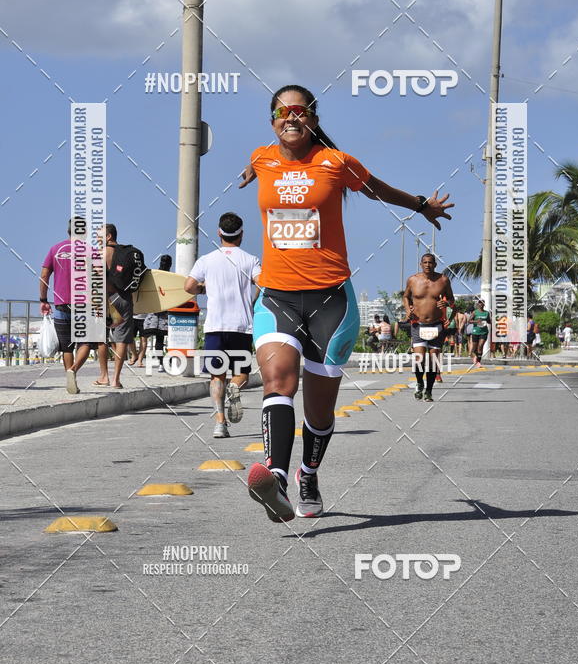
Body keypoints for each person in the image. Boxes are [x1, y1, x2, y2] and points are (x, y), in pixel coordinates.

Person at [238, 84, 453, 522]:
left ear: (314, 120)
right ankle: (276, 478)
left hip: (331, 303)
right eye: (282, 111)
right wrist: (247, 171)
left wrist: (420, 205)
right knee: (278, 383)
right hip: (276, 296)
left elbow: (376, 189)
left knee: (319, 410)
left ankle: (308, 474)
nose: (291, 117)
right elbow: (258, 164)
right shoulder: (262, 158)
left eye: (300, 111)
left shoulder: (336, 163)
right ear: (272, 120)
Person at [185, 213, 261, 438]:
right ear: (242, 234)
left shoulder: (207, 260)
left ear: (219, 232)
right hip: (241, 326)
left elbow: (189, 286)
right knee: (242, 374)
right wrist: (253, 299)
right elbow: (264, 281)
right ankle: (235, 387)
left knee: (216, 376)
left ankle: (220, 423)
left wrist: (203, 288)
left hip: (215, 326)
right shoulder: (250, 259)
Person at [40, 218, 109, 394]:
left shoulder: (55, 249)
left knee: (66, 347)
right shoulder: (90, 250)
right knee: (86, 342)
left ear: (68, 231)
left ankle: (71, 380)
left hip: (61, 304)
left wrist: (43, 299)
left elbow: (44, 275)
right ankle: (74, 370)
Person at [94, 223, 141, 389]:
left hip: (106, 298)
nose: (96, 239)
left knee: (101, 338)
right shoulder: (124, 253)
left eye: (99, 236)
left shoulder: (101, 253)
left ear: (108, 236)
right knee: (121, 339)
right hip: (123, 297)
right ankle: (116, 379)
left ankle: (104, 376)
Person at [403, 254, 455, 401]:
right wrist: (408, 309)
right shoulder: (413, 280)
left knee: (433, 361)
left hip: (436, 325)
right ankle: (419, 383)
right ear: (420, 264)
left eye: (430, 263)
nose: (427, 265)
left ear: (435, 264)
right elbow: (406, 296)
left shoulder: (443, 280)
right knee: (419, 359)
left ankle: (429, 391)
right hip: (418, 324)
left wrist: (447, 303)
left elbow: (452, 299)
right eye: (425, 262)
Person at [143, 254, 173, 373]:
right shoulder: (168, 277)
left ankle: (163, 362)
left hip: (160, 311)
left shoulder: (155, 276)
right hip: (161, 312)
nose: (165, 263)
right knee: (163, 339)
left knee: (161, 339)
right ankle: (163, 362)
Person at [469, 299, 491, 367]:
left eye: (482, 303)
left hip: (484, 331)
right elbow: (469, 321)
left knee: (480, 346)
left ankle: (478, 361)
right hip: (476, 331)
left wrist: (492, 320)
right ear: (478, 304)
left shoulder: (487, 313)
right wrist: (476, 321)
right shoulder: (475, 312)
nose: (481, 304)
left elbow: (489, 321)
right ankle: (474, 356)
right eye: (479, 303)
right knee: (474, 348)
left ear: (484, 304)